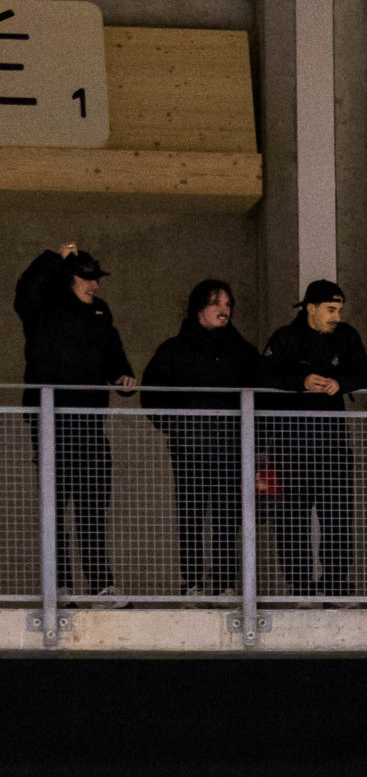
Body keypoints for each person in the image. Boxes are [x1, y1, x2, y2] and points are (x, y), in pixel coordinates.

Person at [16, 245, 138, 597]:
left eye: (97, 278)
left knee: (93, 506)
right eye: (88, 278)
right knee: (55, 507)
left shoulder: (100, 311)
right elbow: (25, 290)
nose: (95, 285)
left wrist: (123, 375)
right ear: (68, 278)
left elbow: (113, 353)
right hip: (51, 421)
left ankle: (101, 586)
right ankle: (60, 586)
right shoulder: (45, 307)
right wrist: (54, 257)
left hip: (90, 422)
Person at [137, 279, 264, 596]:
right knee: (190, 514)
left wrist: (255, 437)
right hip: (189, 447)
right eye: (216, 303)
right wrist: (174, 426)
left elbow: (263, 393)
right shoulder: (174, 350)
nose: (224, 310)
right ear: (198, 308)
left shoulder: (242, 351)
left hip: (231, 448)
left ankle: (223, 584)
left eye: (228, 304)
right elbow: (152, 393)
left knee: (227, 516)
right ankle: (192, 583)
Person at [259, 280, 367, 596]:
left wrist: (340, 383)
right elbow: (263, 375)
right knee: (291, 520)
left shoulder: (346, 336)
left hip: (332, 446)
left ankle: (335, 582)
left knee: (337, 517)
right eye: (330, 310)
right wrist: (302, 381)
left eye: (339, 310)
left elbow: (365, 375)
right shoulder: (286, 337)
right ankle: (300, 586)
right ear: (310, 307)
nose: (337, 317)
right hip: (290, 448)